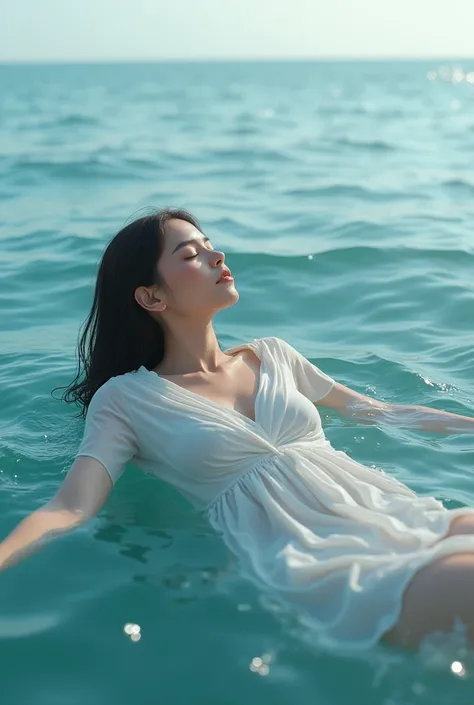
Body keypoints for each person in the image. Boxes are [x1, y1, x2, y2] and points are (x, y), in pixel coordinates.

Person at [2, 208, 474, 653]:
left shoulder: (273, 355)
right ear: (152, 296)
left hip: (393, 512)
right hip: (309, 556)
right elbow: (69, 507)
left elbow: (380, 412)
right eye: (190, 255)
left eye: (209, 245)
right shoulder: (127, 399)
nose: (217, 256)